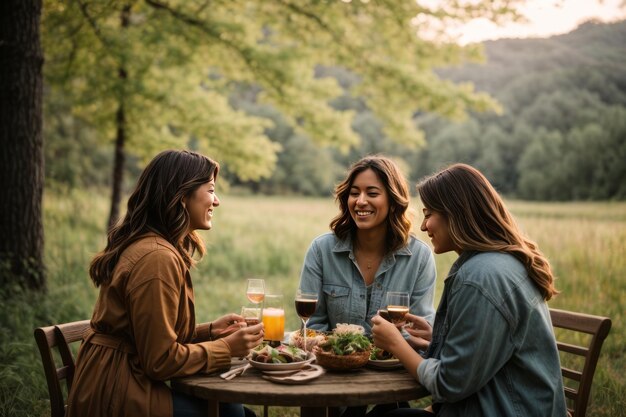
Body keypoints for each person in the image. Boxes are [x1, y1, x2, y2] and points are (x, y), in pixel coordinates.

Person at [66, 150, 264, 417]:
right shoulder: (156, 258)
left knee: (235, 409)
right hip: (118, 393)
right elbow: (159, 361)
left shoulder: (157, 248)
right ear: (182, 197)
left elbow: (149, 338)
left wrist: (209, 332)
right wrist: (227, 348)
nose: (216, 201)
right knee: (233, 413)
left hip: (124, 378)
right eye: (211, 190)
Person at [371, 163, 568, 417]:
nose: (423, 227)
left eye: (429, 214)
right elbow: (491, 348)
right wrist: (439, 338)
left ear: (456, 214)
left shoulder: (479, 277)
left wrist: (397, 344)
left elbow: (450, 384)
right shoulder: (497, 263)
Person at [299, 155, 437, 417]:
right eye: (354, 193)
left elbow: (420, 334)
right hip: (332, 375)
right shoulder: (321, 250)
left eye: (372, 193)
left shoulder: (419, 257)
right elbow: (311, 327)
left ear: (393, 200)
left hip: (391, 377)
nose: (360, 201)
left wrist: (393, 344)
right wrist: (346, 351)